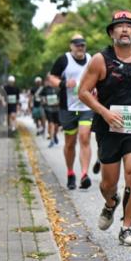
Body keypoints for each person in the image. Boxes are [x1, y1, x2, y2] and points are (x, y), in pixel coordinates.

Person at [79, 11, 131, 247]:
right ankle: (110, 204)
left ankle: (127, 228)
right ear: (111, 32)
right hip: (109, 128)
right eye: (119, 26)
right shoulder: (100, 60)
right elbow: (83, 92)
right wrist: (104, 112)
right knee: (108, 184)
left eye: (129, 27)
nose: (124, 30)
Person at [49, 33, 94, 190]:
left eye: (82, 45)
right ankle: (70, 172)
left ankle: (84, 174)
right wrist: (64, 83)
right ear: (71, 46)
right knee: (70, 142)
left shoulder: (91, 59)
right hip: (68, 108)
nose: (80, 48)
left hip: (86, 107)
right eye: (77, 45)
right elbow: (51, 78)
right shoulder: (64, 60)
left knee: (84, 137)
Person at [39, 73, 61, 146]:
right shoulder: (45, 88)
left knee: (56, 126)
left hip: (57, 109)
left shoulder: (58, 88)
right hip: (48, 109)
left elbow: (62, 97)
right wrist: (43, 100)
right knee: (51, 124)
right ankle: (51, 140)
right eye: (48, 79)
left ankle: (54, 135)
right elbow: (40, 96)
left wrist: (59, 101)